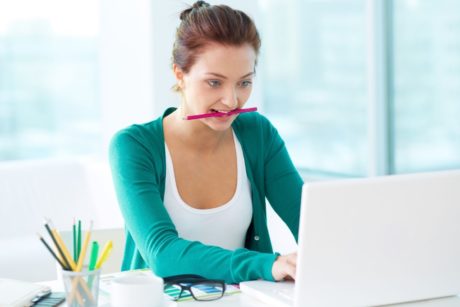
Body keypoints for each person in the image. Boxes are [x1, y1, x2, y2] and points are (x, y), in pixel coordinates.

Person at [109, 0, 303, 284]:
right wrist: (266, 264)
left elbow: (310, 225)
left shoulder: (258, 134)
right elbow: (163, 253)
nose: (231, 100)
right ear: (180, 74)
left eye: (244, 83)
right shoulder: (133, 147)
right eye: (214, 82)